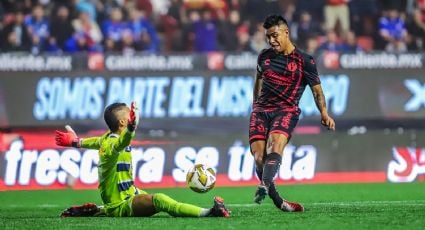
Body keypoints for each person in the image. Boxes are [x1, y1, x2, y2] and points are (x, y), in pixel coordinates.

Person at [55, 102, 230, 218]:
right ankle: (209, 213)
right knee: (160, 199)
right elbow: (123, 142)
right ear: (123, 122)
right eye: (128, 114)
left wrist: (75, 142)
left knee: (152, 198)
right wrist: (131, 129)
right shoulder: (113, 144)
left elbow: (94, 141)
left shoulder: (107, 137)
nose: (132, 114)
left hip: (131, 192)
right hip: (121, 204)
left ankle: (98, 211)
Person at [249, 15, 336, 212]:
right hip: (261, 111)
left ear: (286, 32)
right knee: (258, 158)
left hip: (286, 110)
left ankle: (264, 184)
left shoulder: (305, 60)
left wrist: (324, 113)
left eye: (275, 35)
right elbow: (258, 81)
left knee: (274, 145)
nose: (272, 41)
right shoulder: (264, 56)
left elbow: (317, 91)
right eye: (268, 37)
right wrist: (255, 106)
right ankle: (280, 202)